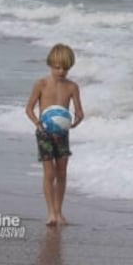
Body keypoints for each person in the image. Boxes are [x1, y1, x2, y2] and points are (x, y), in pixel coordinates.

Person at [25, 43, 85, 226]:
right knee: (49, 172)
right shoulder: (40, 84)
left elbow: (79, 111)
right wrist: (38, 123)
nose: (61, 72)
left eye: (65, 68)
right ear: (50, 64)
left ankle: (59, 211)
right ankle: (50, 212)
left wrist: (76, 121)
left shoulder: (72, 87)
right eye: (57, 67)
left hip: (62, 133)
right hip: (44, 132)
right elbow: (29, 109)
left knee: (62, 172)